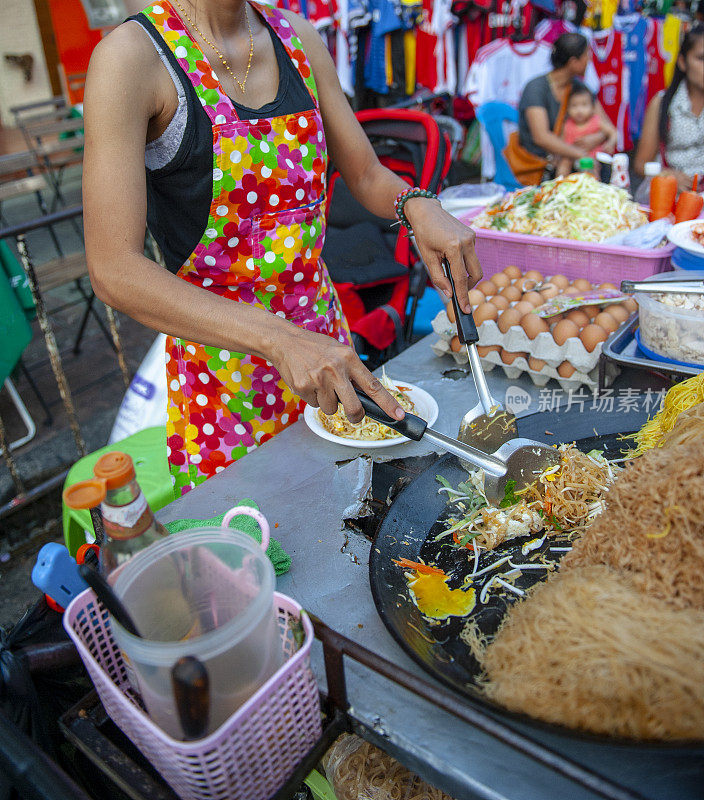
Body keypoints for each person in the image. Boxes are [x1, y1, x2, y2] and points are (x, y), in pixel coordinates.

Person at [82, 0, 481, 496]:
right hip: (223, 384)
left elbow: (364, 172)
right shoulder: (132, 58)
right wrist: (280, 340)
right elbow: (113, 268)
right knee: (260, 547)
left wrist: (417, 205)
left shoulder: (297, 36)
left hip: (330, 357)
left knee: (350, 522)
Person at [517, 33, 617, 173]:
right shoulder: (536, 88)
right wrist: (580, 153)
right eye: (586, 55)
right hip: (542, 166)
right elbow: (541, 137)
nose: (588, 60)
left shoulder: (579, 87)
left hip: (578, 161)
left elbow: (605, 122)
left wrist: (597, 137)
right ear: (573, 62)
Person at [634, 23, 704, 194]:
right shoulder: (663, 103)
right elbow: (641, 164)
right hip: (674, 198)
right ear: (682, 62)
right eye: (701, 58)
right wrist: (667, 174)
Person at [557, 84, 615, 175]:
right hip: (572, 156)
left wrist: (610, 143)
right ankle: (560, 183)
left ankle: (593, 185)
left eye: (584, 105)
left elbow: (613, 132)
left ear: (592, 108)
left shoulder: (596, 121)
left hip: (592, 157)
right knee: (564, 162)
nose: (579, 110)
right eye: (574, 106)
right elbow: (560, 142)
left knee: (592, 166)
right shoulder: (567, 124)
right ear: (567, 109)